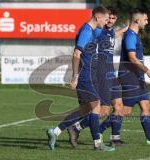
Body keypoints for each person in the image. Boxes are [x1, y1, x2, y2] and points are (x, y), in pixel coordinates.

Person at [46, 5, 115, 151]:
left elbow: (104, 33)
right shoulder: (86, 31)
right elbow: (76, 54)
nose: (107, 21)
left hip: (91, 75)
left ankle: (55, 132)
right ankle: (98, 144)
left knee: (84, 109)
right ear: (97, 17)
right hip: (84, 75)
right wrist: (75, 77)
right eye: (105, 19)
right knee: (96, 106)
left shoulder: (94, 30)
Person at [67, 6, 128, 147]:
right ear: (102, 18)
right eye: (108, 18)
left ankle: (114, 138)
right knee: (102, 110)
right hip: (101, 73)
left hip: (111, 73)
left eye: (113, 18)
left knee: (119, 106)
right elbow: (81, 48)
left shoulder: (111, 32)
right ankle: (77, 128)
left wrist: (127, 28)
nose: (110, 20)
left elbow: (115, 33)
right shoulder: (98, 31)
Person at [119, 8, 150, 145]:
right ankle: (85, 128)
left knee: (146, 107)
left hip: (139, 78)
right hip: (130, 78)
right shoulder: (130, 36)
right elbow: (132, 58)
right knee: (123, 111)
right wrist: (148, 71)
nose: (147, 22)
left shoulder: (135, 36)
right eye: (145, 19)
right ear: (137, 20)